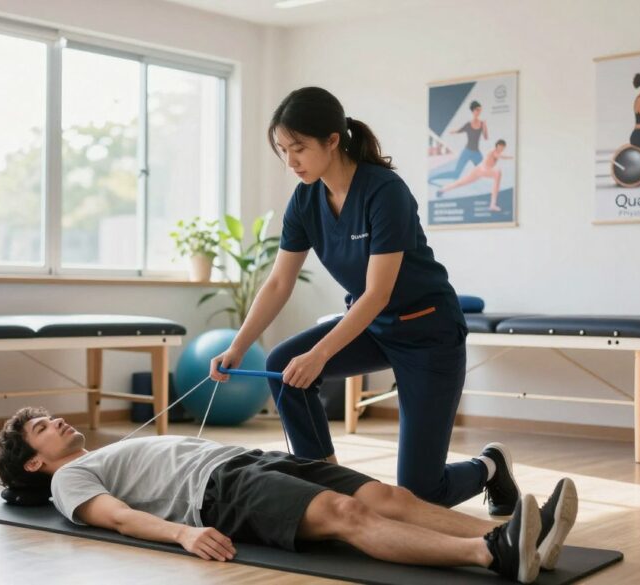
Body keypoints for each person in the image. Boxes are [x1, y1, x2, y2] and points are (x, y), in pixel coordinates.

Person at [209, 86, 517, 517]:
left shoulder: (384, 191)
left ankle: (489, 466)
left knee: (419, 495)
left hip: (428, 332)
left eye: (298, 149)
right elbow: (279, 282)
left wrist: (318, 355)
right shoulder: (305, 199)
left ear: (332, 140)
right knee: (283, 367)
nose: (290, 162)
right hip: (374, 328)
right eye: (283, 150)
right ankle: (326, 486)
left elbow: (378, 293)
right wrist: (238, 346)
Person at [0, 407, 580, 583]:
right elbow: (116, 518)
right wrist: (182, 533)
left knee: (386, 495)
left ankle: (517, 536)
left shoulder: (98, 451)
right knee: (346, 515)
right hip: (219, 493)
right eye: (42, 427)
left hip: (251, 459)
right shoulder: (69, 480)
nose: (58, 421)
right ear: (36, 462)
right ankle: (490, 556)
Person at [437, 139, 514, 212]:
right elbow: (500, 156)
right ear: (497, 146)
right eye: (500, 147)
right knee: (497, 173)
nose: (501, 149)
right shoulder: (493, 152)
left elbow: (499, 156)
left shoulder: (496, 152)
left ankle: (442, 189)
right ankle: (492, 205)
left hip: (479, 170)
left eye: (503, 148)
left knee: (463, 182)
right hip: (481, 170)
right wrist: (512, 157)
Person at [428, 100, 487, 184]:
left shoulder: (482, 124)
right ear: (473, 111)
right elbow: (459, 130)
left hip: (476, 153)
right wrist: (452, 132)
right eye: (477, 110)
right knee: (456, 174)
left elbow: (485, 137)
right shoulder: (468, 124)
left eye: (480, 110)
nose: (479, 112)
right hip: (467, 151)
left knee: (484, 171)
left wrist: (484, 127)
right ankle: (432, 178)